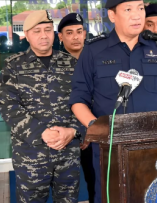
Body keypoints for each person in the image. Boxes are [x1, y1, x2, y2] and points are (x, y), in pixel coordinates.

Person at [68, 0, 157, 203]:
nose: (137, 15)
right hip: (109, 148)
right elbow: (78, 98)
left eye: (140, 8)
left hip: (153, 144)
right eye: (128, 10)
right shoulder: (94, 51)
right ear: (112, 15)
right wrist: (96, 128)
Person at [0, 10, 83, 203]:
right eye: (37, 31)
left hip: (67, 152)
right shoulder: (13, 66)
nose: (43, 35)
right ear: (26, 35)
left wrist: (73, 130)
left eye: (47, 29)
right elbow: (8, 106)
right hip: (31, 155)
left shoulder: (71, 64)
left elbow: (84, 101)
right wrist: (41, 132)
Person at [57, 12, 95, 203]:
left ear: (85, 34)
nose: (75, 37)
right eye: (69, 32)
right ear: (60, 37)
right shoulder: (54, 63)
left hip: (92, 132)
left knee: (94, 180)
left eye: (79, 31)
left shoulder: (96, 59)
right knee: (65, 189)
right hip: (66, 133)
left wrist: (88, 130)